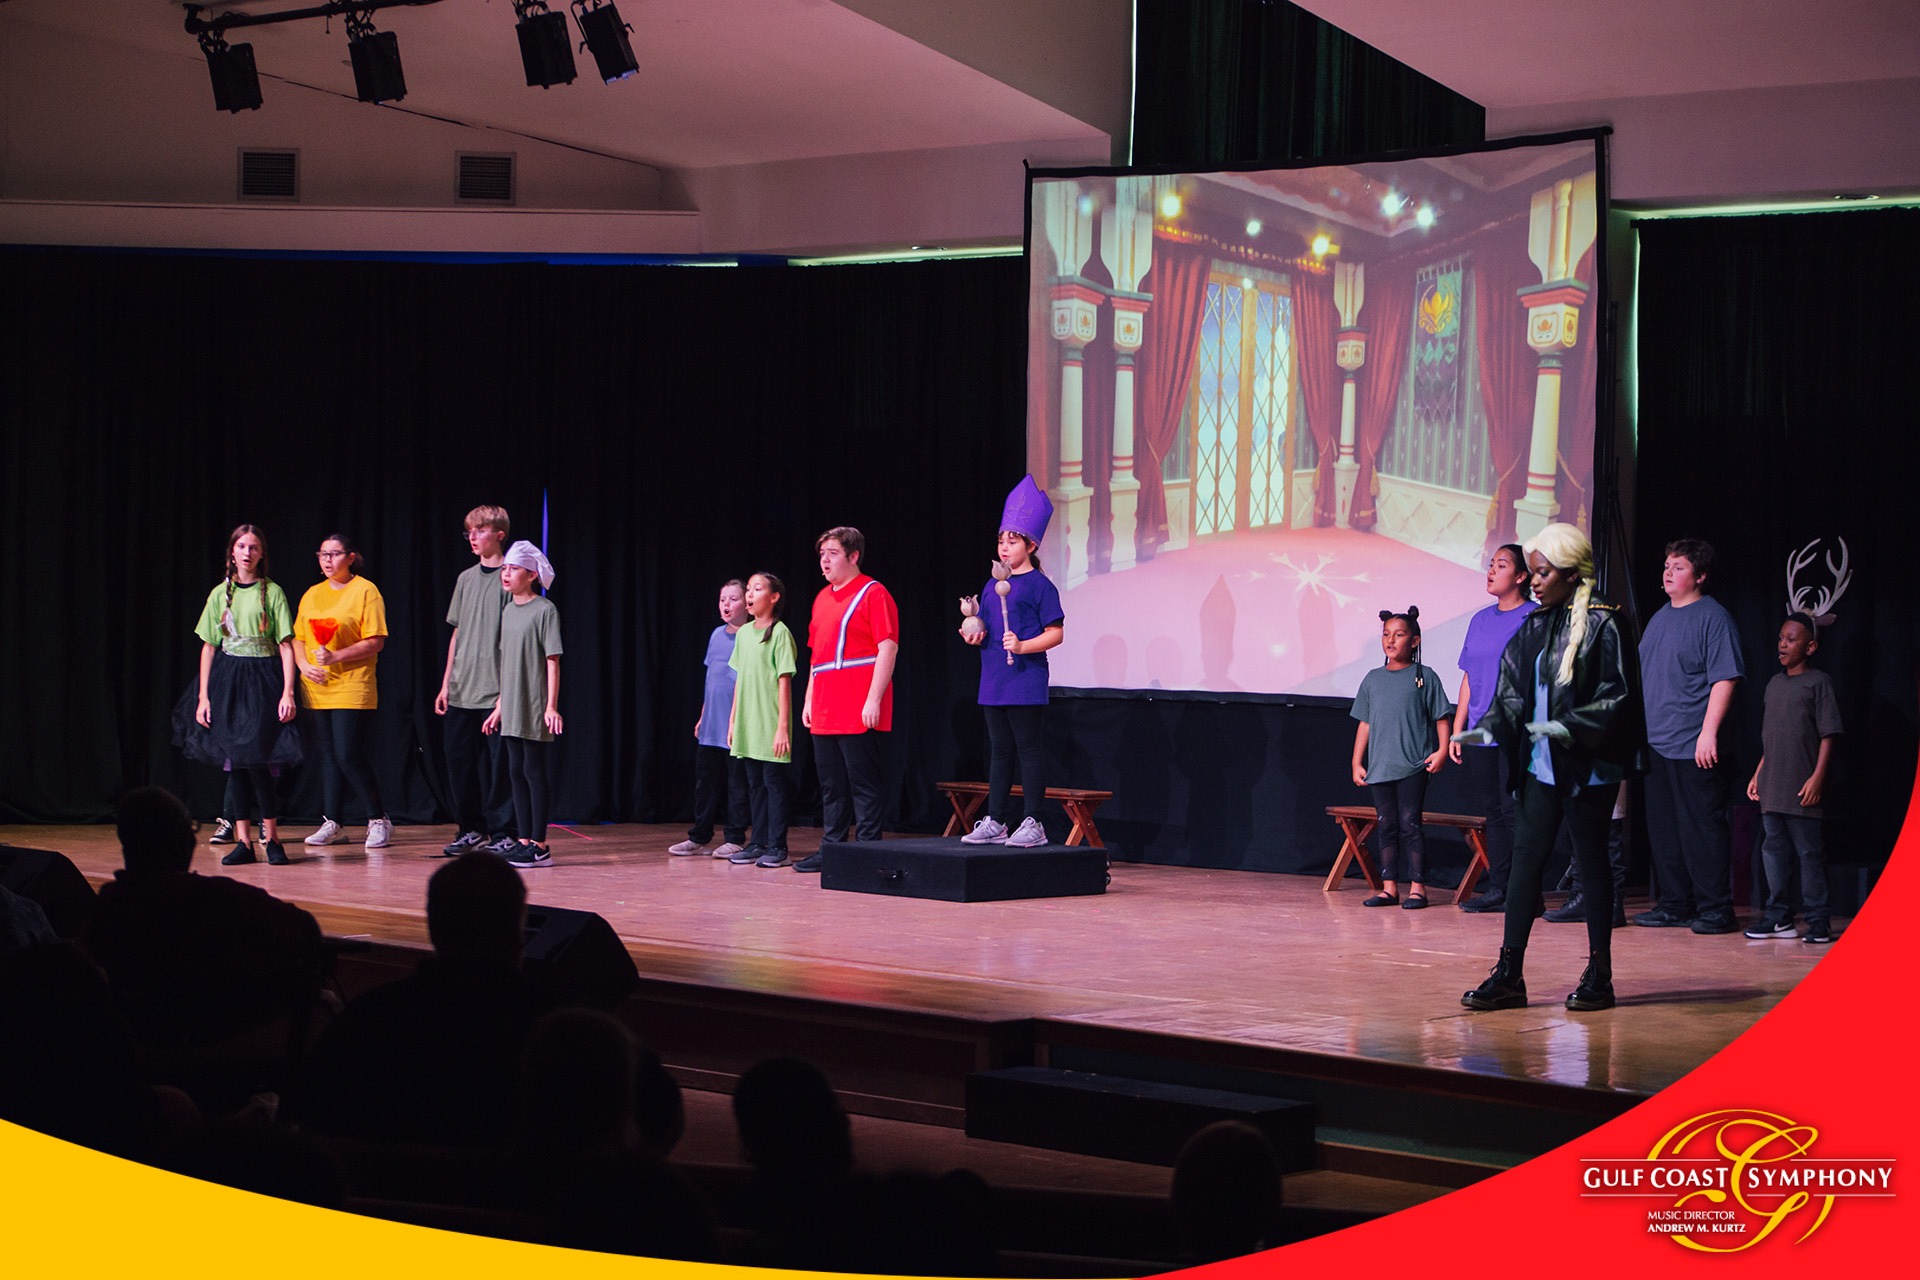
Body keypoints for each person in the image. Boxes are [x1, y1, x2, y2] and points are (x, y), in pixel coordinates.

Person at [1457, 522, 1647, 1012]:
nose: (1535, 582)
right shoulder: (1537, 623)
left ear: (1571, 573)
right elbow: (1512, 690)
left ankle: (1599, 974)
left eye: (1543, 573)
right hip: (1540, 766)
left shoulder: (1606, 622)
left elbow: (1618, 696)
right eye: (1534, 572)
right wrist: (1487, 725)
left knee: (1591, 863)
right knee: (1525, 863)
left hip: (1588, 766)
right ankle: (1509, 974)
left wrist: (1569, 726)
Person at [79, 786, 326, 1059]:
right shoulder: (219, 899)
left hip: (144, 1054)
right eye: (190, 829)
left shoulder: (106, 908)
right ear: (180, 838)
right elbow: (305, 930)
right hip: (221, 1053)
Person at [1632, 537, 1744, 934]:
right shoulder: (1660, 618)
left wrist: (1708, 733)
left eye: (1678, 567)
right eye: (1667, 565)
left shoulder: (1713, 617)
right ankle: (1674, 904)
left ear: (1700, 576)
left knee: (1702, 827)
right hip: (1656, 742)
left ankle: (1716, 908)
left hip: (1692, 743)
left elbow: (1725, 677)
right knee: (1664, 829)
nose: (1668, 572)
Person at [171, 524, 301, 866]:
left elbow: (286, 645)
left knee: (258, 764)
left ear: (261, 554)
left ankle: (272, 839)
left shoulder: (273, 592)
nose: (247, 552)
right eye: (242, 546)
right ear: (232, 551)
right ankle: (243, 841)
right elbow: (209, 647)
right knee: (238, 767)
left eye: (253, 547)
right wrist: (203, 697)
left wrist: (288, 692)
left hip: (263, 681)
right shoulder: (220, 594)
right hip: (229, 682)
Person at [959, 476, 1065, 848]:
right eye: (1001, 541)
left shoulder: (1040, 585)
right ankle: (996, 820)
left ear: (1031, 545)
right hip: (994, 678)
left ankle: (1034, 821)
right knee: (999, 750)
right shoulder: (991, 585)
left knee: (1028, 749)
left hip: (1025, 677)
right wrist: (973, 631)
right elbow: (986, 628)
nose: (1004, 548)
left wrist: (1022, 646)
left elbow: (1056, 633)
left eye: (1013, 541)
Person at [794, 527, 898, 874]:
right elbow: (817, 655)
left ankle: (868, 852)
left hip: (857, 702)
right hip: (825, 703)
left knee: (862, 783)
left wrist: (873, 699)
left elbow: (888, 648)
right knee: (831, 786)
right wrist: (809, 700)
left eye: (833, 553)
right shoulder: (822, 598)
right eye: (822, 554)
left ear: (853, 556)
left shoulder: (873, 593)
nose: (824, 561)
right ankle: (832, 849)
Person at [1745, 613, 1843, 943]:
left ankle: (1817, 920)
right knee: (1773, 852)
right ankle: (1778, 916)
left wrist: (1817, 778)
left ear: (1810, 647)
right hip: (1773, 785)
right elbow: (1771, 737)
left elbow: (1828, 735)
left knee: (1809, 854)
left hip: (1802, 786)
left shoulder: (1818, 683)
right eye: (1780, 638)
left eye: (1791, 639)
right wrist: (1758, 772)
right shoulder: (1774, 683)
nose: (1783, 645)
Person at [294, 533, 393, 851]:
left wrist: (336, 656)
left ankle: (377, 818)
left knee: (347, 753)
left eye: (334, 554)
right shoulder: (312, 594)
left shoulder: (365, 590)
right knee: (327, 757)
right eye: (323, 554)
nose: (327, 560)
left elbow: (375, 640)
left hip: (352, 683)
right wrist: (302, 665)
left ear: (350, 557)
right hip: (318, 684)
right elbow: (298, 637)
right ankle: (333, 822)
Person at [1450, 545, 1535, 913]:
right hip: (1479, 730)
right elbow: (1470, 676)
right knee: (1493, 812)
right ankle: (1500, 888)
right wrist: (1459, 727)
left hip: (1516, 730)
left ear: (1521, 576)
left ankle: (1525, 893)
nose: (1491, 571)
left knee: (1516, 811)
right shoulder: (1480, 619)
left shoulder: (1534, 618)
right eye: (1491, 564)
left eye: (1501, 565)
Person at [1349, 607, 1453, 909]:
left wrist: (1442, 750)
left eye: (1399, 635)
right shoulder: (1372, 679)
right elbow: (1365, 723)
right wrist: (1357, 762)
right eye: (1386, 635)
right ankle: (1389, 888)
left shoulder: (1425, 677)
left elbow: (1441, 717)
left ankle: (1418, 888)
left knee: (1410, 823)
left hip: (1413, 765)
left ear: (1415, 641)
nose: (1391, 640)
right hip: (1380, 766)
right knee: (1386, 825)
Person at [436, 505, 518, 857]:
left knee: (501, 768)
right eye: (469, 531)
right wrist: (445, 683)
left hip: (496, 691)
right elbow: (457, 633)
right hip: (461, 689)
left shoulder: (511, 578)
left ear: (499, 535)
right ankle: (471, 828)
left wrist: (505, 693)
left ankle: (504, 831)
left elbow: (516, 637)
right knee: (460, 765)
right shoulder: (465, 579)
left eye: (480, 531)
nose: (472, 537)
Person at [484, 541, 563, 869]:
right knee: (515, 771)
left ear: (531, 575)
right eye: (505, 568)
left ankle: (540, 846)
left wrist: (551, 706)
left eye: (514, 568)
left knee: (533, 771)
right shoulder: (508, 611)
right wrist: (500, 705)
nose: (506, 573)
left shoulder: (545, 610)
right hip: (513, 704)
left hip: (533, 703)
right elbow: (507, 662)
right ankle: (524, 840)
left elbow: (552, 660)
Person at [670, 579, 751, 860]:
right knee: (705, 782)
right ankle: (699, 835)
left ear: (747, 604)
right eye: (722, 599)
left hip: (736, 722)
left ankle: (735, 837)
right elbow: (712, 678)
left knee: (736, 783)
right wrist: (703, 715)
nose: (726, 604)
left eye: (733, 599)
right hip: (712, 722)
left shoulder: (751, 635)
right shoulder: (717, 634)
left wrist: (736, 719)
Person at [727, 573, 798, 868]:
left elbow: (784, 682)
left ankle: (777, 846)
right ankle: (757, 842)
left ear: (774, 597)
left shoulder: (780, 633)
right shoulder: (744, 633)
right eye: (749, 589)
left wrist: (782, 727)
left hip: (770, 722)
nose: (750, 594)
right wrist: (733, 721)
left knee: (773, 785)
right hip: (748, 722)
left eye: (757, 589)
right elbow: (740, 680)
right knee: (754, 785)